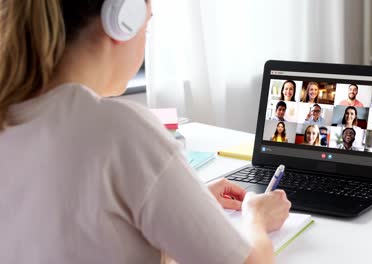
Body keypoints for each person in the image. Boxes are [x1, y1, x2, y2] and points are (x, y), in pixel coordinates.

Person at [0, 1, 291, 263]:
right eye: (147, 26)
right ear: (121, 21)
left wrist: (183, 205)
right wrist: (256, 219)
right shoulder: (118, 129)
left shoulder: (11, 118)